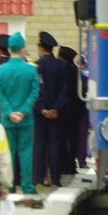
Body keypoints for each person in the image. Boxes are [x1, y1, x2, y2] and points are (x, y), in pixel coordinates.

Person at [0, 33, 39, 192]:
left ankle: (9, 185)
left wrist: (9, 112)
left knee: (9, 152)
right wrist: (23, 112)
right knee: (26, 152)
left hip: (7, 120)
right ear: (23, 48)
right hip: (26, 120)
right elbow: (34, 93)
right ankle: (27, 185)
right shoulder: (31, 70)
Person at [33, 30, 71, 188]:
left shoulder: (35, 66)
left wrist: (42, 108)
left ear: (41, 48)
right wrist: (56, 109)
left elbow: (35, 91)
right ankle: (55, 179)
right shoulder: (63, 66)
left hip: (39, 113)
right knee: (55, 145)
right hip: (57, 114)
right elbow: (65, 91)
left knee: (40, 144)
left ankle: (39, 179)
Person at [58, 45, 87, 175]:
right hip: (75, 112)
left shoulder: (61, 71)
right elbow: (82, 94)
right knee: (74, 139)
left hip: (63, 111)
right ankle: (71, 165)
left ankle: (63, 164)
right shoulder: (78, 74)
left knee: (62, 138)